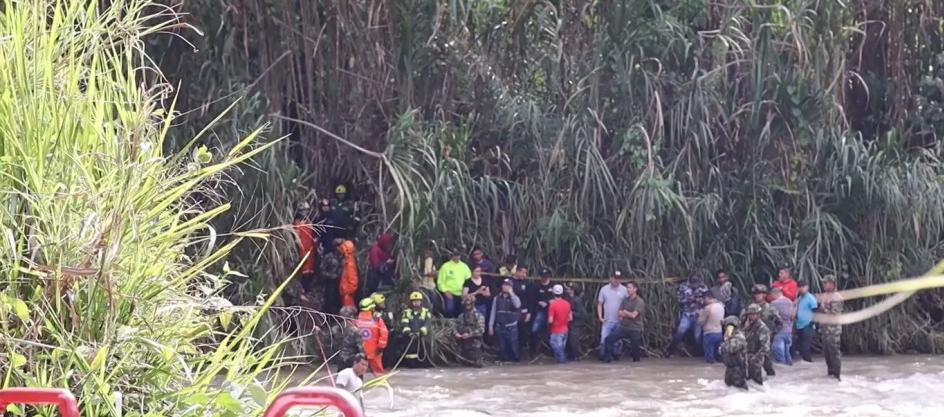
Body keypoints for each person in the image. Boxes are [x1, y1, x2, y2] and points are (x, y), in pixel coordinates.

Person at [601, 280, 645, 363]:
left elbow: (633, 315)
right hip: (624, 327)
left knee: (636, 352)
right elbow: (619, 312)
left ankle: (636, 364)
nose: (627, 289)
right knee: (608, 339)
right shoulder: (625, 300)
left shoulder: (639, 301)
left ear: (635, 289)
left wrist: (625, 312)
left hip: (635, 328)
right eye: (627, 287)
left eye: (629, 287)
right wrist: (626, 313)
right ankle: (608, 360)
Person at [742, 284, 781, 376]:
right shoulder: (749, 308)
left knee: (767, 363)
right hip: (751, 339)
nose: (757, 296)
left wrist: (772, 334)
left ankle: (772, 382)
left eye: (759, 293)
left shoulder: (770, 308)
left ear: (764, 295)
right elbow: (742, 321)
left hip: (764, 338)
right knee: (750, 362)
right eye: (755, 294)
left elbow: (779, 323)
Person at [667, 274, 709, 357]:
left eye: (696, 283)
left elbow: (707, 300)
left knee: (697, 336)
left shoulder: (703, 287)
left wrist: (698, 300)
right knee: (680, 332)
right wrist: (687, 300)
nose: (694, 285)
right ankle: (670, 350)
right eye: (692, 283)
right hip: (687, 314)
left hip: (699, 314)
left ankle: (700, 354)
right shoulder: (683, 287)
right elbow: (679, 299)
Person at [489, 278, 523, 362]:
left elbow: (517, 305)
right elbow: (493, 312)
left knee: (513, 348)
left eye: (508, 285)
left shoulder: (515, 297)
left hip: (511, 326)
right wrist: (490, 326)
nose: (505, 287)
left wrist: (511, 293)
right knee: (502, 348)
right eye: (504, 285)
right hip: (499, 326)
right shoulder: (496, 298)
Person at [596, 271, 628, 358]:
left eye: (618, 278)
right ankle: (603, 357)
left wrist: (624, 316)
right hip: (607, 321)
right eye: (614, 278)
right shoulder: (604, 289)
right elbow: (599, 304)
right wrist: (600, 317)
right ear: (610, 278)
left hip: (619, 321)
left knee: (618, 342)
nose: (616, 280)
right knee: (603, 340)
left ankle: (616, 356)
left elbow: (628, 304)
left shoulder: (624, 290)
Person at [818, 274, 844, 380]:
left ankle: (837, 376)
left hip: (833, 330)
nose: (824, 285)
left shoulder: (837, 297)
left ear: (832, 284)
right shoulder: (825, 296)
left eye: (826, 283)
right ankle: (830, 374)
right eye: (823, 283)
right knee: (827, 353)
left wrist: (824, 309)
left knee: (834, 352)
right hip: (825, 329)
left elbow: (834, 314)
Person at [356, 298, 389, 375]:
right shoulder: (377, 319)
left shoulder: (356, 319)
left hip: (360, 351)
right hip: (375, 351)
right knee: (378, 373)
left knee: (359, 373)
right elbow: (384, 333)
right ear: (371, 308)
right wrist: (381, 347)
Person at [400, 291, 431, 368]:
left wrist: (420, 332)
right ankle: (411, 364)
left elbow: (428, 324)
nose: (416, 303)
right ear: (411, 302)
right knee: (410, 349)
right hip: (410, 336)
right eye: (414, 301)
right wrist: (409, 332)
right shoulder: (406, 313)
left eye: (418, 301)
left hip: (422, 336)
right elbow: (404, 323)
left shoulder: (426, 312)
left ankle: (425, 364)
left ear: (421, 302)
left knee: (425, 346)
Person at [528, 268, 555, 357]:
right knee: (534, 330)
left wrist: (547, 302)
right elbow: (532, 300)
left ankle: (552, 351)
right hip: (540, 311)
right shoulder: (535, 286)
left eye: (546, 277)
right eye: (543, 277)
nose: (545, 278)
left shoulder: (553, 286)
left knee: (553, 332)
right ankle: (533, 350)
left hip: (552, 312)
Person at [291, 204, 317, 293]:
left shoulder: (308, 221)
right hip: (302, 249)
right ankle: (302, 289)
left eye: (306, 210)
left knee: (309, 270)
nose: (305, 212)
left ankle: (308, 289)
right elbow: (296, 238)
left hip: (310, 249)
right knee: (302, 269)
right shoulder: (296, 223)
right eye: (303, 210)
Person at [742, 303, 771, 385]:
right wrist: (745, 329)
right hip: (748, 358)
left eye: (753, 314)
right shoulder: (749, 326)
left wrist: (755, 358)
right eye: (750, 315)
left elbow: (765, 347)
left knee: (757, 382)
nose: (751, 316)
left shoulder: (762, 328)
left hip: (757, 359)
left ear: (758, 315)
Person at [437, 251, 472, 317]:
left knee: (462, 311)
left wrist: (465, 292)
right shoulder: (445, 266)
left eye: (458, 255)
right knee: (450, 310)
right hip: (449, 293)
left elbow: (468, 280)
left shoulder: (464, 267)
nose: (457, 257)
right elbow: (440, 282)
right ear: (452, 256)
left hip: (461, 294)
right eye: (455, 255)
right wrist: (446, 291)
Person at [455, 295, 486, 367]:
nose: (467, 306)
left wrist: (470, 335)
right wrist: (456, 334)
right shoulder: (461, 316)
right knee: (464, 364)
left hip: (475, 344)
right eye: (465, 305)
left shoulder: (478, 316)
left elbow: (481, 330)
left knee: (477, 364)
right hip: (463, 344)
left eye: (469, 304)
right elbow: (455, 328)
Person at [719, 316, 748, 390]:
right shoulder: (731, 337)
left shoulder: (739, 337)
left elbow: (731, 349)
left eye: (728, 327)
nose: (726, 329)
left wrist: (728, 338)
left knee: (739, 390)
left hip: (738, 370)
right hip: (730, 369)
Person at [546, 284, 573, 364]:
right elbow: (570, 318)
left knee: (558, 351)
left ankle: (562, 367)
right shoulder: (567, 304)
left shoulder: (553, 305)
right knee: (561, 350)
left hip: (556, 331)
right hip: (565, 330)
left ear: (553, 293)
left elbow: (550, 320)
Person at [769, 287, 795, 365]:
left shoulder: (774, 304)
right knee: (787, 352)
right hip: (789, 330)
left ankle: (783, 369)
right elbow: (792, 316)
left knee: (778, 351)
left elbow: (771, 317)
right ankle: (790, 368)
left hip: (779, 331)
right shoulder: (790, 302)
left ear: (774, 294)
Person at [317, 238, 343, 314]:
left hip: (341, 282)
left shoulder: (343, 256)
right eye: (338, 246)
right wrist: (331, 276)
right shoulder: (328, 256)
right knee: (329, 299)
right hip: (330, 282)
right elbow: (321, 269)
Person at [795, 280, 818, 362]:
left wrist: (811, 324)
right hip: (799, 325)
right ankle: (806, 366)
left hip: (808, 326)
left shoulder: (811, 298)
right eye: (799, 287)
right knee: (801, 348)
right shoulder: (799, 298)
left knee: (805, 347)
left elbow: (815, 312)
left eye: (803, 286)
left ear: (807, 287)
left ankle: (809, 363)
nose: (801, 289)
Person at [698, 293, 725, 364]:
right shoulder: (721, 306)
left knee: (709, 358)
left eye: (704, 299)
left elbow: (700, 322)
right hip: (719, 333)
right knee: (717, 353)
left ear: (708, 298)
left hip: (709, 333)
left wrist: (700, 313)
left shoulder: (708, 308)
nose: (703, 301)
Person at [565, 285, 587, 360]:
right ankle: (571, 356)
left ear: (572, 290)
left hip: (576, 324)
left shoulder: (577, 300)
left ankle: (578, 355)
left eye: (568, 289)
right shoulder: (568, 299)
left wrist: (571, 313)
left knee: (573, 339)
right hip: (570, 323)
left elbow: (582, 314)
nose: (566, 290)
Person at [338, 240, 359, 308]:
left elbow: (353, 282)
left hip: (347, 295)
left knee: (347, 312)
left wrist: (347, 292)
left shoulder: (350, 264)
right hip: (345, 293)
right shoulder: (348, 261)